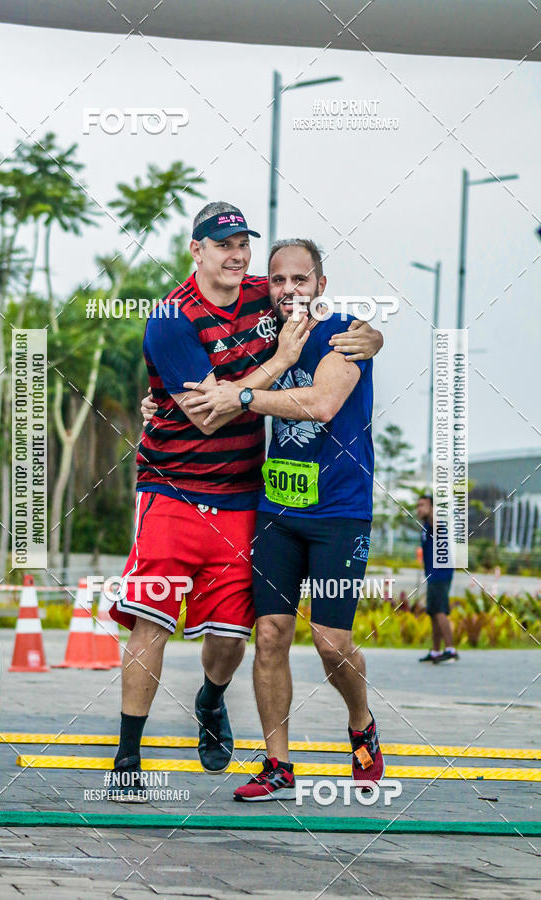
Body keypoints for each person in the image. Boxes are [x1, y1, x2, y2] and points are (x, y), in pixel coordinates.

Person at [108, 202, 383, 802]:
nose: (238, 256)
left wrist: (373, 334)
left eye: (243, 244)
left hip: (287, 504)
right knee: (220, 627)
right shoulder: (176, 316)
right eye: (223, 243)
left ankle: (334, 719)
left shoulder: (304, 316)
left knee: (286, 639)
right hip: (205, 495)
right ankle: (143, 757)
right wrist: (273, 366)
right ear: (196, 249)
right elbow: (205, 415)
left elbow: (328, 382)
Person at [181, 238, 385, 802]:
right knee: (270, 634)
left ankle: (361, 723)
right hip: (277, 512)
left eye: (301, 279)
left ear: (320, 283)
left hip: (340, 514)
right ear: (267, 288)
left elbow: (320, 403)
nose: (289, 289)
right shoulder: (263, 338)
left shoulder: (346, 333)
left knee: (330, 641)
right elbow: (198, 367)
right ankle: (278, 764)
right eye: (278, 280)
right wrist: (163, 400)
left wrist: (242, 397)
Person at [416, 494, 458, 664]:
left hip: (441, 574)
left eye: (423, 505)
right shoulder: (426, 526)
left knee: (439, 610)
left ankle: (450, 650)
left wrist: (433, 509)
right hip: (433, 575)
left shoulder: (436, 523)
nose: (419, 509)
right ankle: (435, 651)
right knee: (433, 612)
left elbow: (436, 520)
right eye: (418, 505)